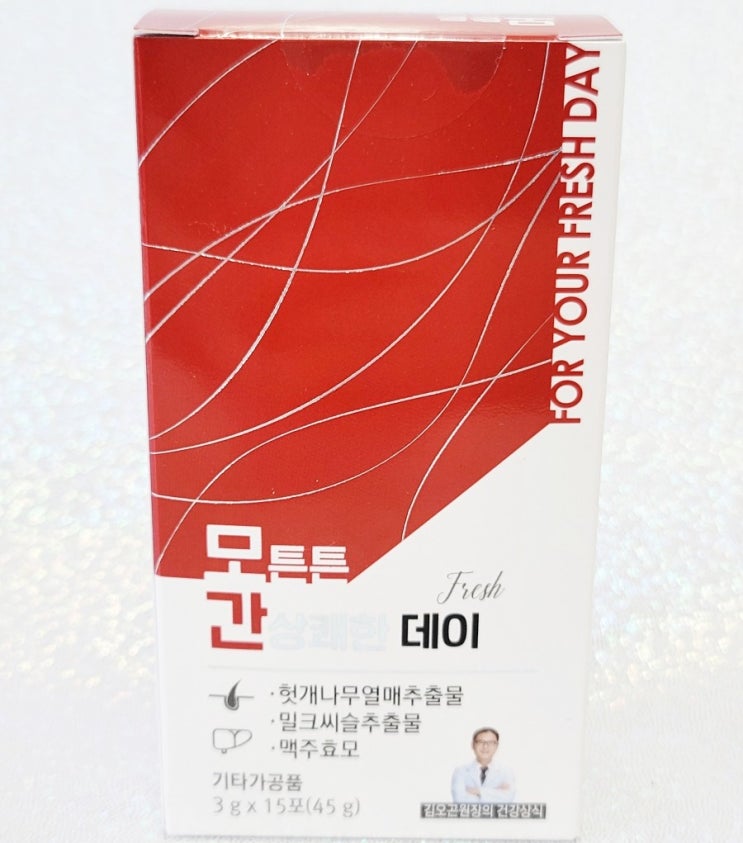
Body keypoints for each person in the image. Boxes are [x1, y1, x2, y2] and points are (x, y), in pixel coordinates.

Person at [450, 727, 515, 803]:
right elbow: (459, 800)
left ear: (496, 746)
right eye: (481, 742)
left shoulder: (506, 771)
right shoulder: (460, 771)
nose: (485, 746)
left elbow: (508, 799)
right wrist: (495, 793)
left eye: (490, 742)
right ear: (473, 745)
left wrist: (479, 791)